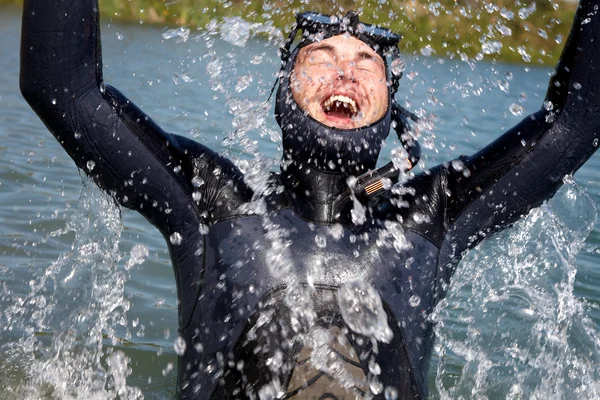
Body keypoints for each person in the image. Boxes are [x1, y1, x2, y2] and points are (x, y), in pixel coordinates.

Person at [19, 0, 600, 398]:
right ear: (283, 94)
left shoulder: (434, 213)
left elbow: (575, 123)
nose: (344, 72)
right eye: (320, 56)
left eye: (366, 61)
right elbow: (64, 90)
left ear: (391, 112)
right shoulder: (214, 200)